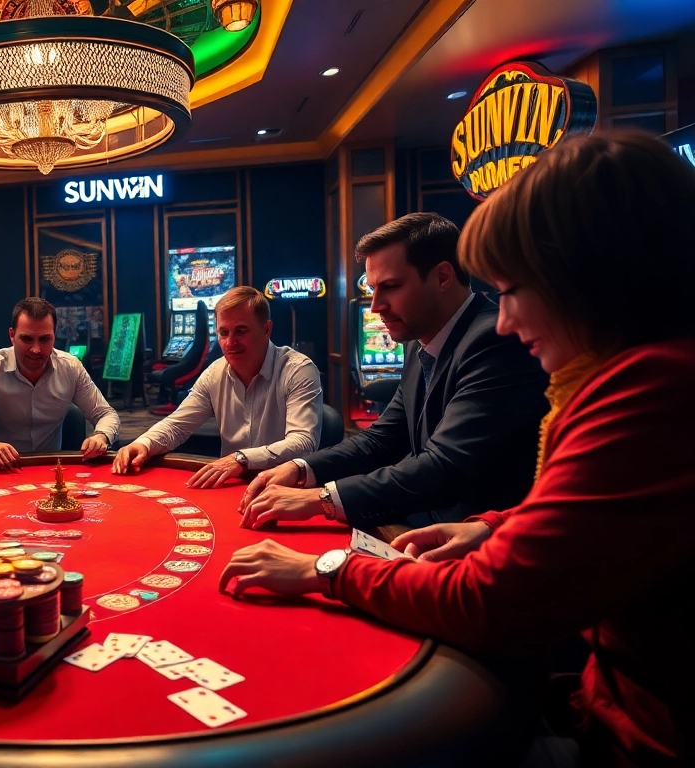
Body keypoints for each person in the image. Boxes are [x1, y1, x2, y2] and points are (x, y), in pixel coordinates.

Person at [218, 132, 695, 766]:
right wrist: (494, 528)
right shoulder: (645, 376)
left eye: (516, 288)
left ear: (589, 278)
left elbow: (485, 597)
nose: (506, 318)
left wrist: (327, 568)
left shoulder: (648, 395)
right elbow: (393, 438)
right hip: (595, 698)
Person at [239, 212, 548, 530]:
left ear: (443, 277)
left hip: (478, 539)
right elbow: (382, 439)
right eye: (373, 289)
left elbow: (445, 468)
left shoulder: (495, 339)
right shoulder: (420, 339)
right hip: (425, 518)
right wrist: (302, 468)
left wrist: (322, 499)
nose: (375, 306)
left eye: (390, 287)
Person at [112, 286, 322, 488]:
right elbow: (177, 425)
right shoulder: (215, 373)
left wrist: (241, 459)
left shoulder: (298, 370)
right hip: (231, 484)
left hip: (285, 489)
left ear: (266, 329)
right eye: (223, 332)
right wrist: (145, 443)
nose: (230, 342)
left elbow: (303, 442)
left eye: (241, 331)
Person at [0, 297, 120, 469]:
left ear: (54, 337)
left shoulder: (71, 368)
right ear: (12, 335)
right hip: (1, 469)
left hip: (49, 469)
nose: (36, 349)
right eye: (27, 339)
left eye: (44, 339)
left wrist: (101, 436)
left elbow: (106, 414)